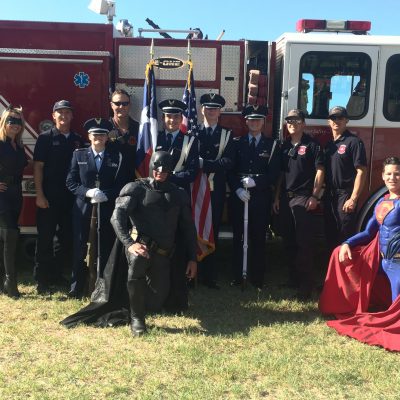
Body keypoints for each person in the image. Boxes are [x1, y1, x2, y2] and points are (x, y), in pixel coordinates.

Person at [110, 151, 197, 336]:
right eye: (157, 168)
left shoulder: (179, 194)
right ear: (151, 167)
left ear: (171, 171)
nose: (160, 172)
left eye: (165, 169)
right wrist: (129, 244)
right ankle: (137, 319)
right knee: (137, 266)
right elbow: (116, 218)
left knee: (156, 300)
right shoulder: (136, 188)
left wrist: (192, 259)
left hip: (164, 254)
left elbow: (189, 228)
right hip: (140, 247)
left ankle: (137, 305)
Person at [319, 157, 400, 352]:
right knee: (340, 253)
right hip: (382, 261)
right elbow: (368, 233)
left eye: (397, 173)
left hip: (398, 264)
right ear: (382, 176)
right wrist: (347, 243)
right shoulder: (383, 201)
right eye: (388, 173)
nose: (392, 177)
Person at [66, 118, 127, 298]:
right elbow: (70, 181)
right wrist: (88, 192)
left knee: (104, 247)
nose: (98, 137)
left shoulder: (117, 156)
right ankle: (76, 287)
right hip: (83, 209)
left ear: (108, 137)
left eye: (102, 134)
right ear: (89, 136)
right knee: (80, 246)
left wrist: (106, 194)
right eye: (95, 134)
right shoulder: (79, 155)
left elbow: (122, 183)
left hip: (107, 208)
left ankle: (102, 286)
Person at [33, 100, 85, 294]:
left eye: (67, 113)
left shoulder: (78, 140)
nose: (64, 116)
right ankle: (42, 280)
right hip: (48, 197)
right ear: (53, 116)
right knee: (45, 239)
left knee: (66, 239)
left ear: (72, 116)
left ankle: (56, 275)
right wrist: (39, 195)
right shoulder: (45, 138)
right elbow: (38, 167)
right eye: (60, 113)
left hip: (71, 199)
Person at [273, 109, 324, 299]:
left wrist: (315, 196)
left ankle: (306, 286)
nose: (292, 123)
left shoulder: (312, 145)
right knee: (289, 242)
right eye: (289, 120)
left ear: (303, 123)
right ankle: (293, 279)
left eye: (296, 120)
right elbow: (281, 174)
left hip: (304, 198)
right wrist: (277, 197)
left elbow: (320, 171)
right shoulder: (284, 146)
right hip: (286, 198)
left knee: (304, 244)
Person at [228, 105, 280, 290]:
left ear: (263, 122)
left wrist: (257, 183)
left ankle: (257, 277)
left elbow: (274, 173)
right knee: (239, 238)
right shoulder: (236, 142)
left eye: (258, 119)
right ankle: (236, 275)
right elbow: (230, 171)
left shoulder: (272, 145)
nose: (254, 122)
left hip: (260, 198)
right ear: (246, 121)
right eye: (251, 119)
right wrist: (237, 190)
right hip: (239, 197)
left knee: (258, 238)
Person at [155, 99, 199, 311]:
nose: (171, 120)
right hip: (155, 200)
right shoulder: (154, 138)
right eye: (168, 116)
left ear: (182, 118)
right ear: (163, 118)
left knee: (179, 241)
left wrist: (168, 178)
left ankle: (179, 284)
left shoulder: (190, 141)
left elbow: (191, 173)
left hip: (178, 199)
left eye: (175, 116)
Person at [196, 93, 234, 289]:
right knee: (193, 229)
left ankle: (210, 276)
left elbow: (228, 162)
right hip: (195, 190)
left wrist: (206, 164)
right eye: (207, 108)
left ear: (220, 112)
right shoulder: (193, 133)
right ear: (202, 110)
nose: (211, 111)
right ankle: (193, 274)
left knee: (213, 230)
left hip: (215, 190)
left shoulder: (227, 134)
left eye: (215, 108)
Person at [323, 106, 367, 251]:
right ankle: (334, 270)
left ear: (346, 120)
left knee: (345, 236)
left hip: (345, 195)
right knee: (331, 234)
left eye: (340, 118)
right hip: (330, 196)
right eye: (333, 118)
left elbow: (361, 171)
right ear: (329, 122)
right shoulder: (329, 145)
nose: (336, 121)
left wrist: (353, 199)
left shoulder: (354, 142)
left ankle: (347, 271)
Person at [0, 106, 28, 297]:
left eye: (18, 121)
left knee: (5, 238)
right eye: (11, 120)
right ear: (3, 122)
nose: (15, 124)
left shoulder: (18, 146)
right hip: (1, 194)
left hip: (16, 193)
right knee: (11, 233)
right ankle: (11, 282)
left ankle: (3, 281)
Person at [108, 89, 139, 181]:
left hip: (133, 182)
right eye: (117, 103)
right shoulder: (104, 129)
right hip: (110, 182)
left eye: (125, 103)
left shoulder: (139, 129)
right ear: (111, 105)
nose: (121, 106)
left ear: (130, 105)